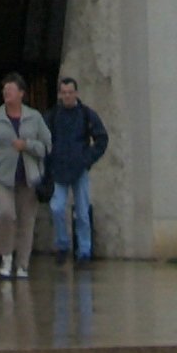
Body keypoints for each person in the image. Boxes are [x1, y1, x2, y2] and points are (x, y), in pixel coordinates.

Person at [0, 71, 53, 280]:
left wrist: (28, 145)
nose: (7, 93)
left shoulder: (35, 117)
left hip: (28, 177)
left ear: (21, 93)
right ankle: (6, 256)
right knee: (5, 214)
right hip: (0, 177)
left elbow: (47, 146)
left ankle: (22, 263)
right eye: (4, 90)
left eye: (11, 90)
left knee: (26, 221)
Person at [46, 76, 109, 262]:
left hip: (79, 170)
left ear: (76, 93)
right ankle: (63, 244)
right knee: (56, 208)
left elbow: (101, 139)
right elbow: (43, 139)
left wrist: (86, 159)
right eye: (64, 93)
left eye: (70, 92)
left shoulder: (86, 114)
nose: (67, 96)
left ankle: (84, 250)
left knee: (82, 213)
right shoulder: (52, 116)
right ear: (59, 94)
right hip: (59, 169)